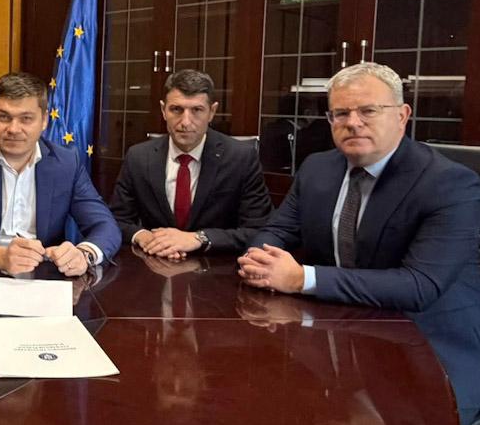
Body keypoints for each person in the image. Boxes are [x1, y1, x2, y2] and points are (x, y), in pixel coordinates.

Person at [238, 62, 480, 317]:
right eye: (341, 113)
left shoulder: (449, 183)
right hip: (333, 314)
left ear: (402, 116)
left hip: (420, 324)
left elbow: (419, 285)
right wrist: (259, 262)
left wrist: (302, 278)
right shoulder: (316, 168)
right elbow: (277, 231)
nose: (353, 123)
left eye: (368, 111)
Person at [0, 72, 121, 276]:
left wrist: (84, 254)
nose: (13, 129)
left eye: (26, 119)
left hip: (44, 275)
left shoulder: (66, 163)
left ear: (44, 120)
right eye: (3, 117)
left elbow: (105, 226)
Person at [110, 69, 273, 257]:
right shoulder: (138, 157)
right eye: (176, 109)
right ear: (163, 110)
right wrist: (143, 236)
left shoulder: (241, 158)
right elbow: (116, 220)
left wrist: (199, 238)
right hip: (155, 262)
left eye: (196, 110)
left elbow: (259, 230)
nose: (185, 122)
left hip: (215, 266)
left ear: (212, 112)